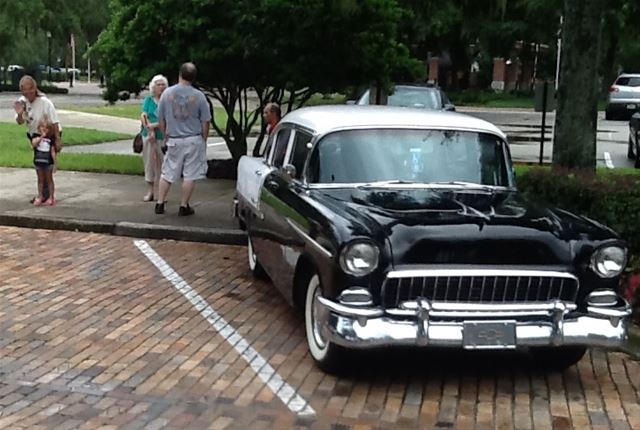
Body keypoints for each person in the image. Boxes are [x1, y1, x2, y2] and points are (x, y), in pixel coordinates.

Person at [155, 62, 211, 216]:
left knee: (167, 172)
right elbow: (205, 121)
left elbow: (160, 118)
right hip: (193, 139)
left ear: (180, 74)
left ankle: (160, 203)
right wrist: (203, 140)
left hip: (174, 138)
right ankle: (183, 205)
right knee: (190, 174)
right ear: (193, 78)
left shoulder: (167, 94)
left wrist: (165, 133)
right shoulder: (199, 96)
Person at [14, 75, 62, 202]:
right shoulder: (23, 101)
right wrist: (20, 113)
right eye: (24, 89)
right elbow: (20, 121)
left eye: (30, 89)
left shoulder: (45, 102)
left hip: (49, 134)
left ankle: (47, 195)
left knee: (47, 166)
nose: (28, 92)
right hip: (35, 135)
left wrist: (57, 140)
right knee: (39, 165)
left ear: (35, 88)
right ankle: (43, 195)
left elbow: (55, 122)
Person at [140, 74, 168, 201]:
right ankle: (150, 191)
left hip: (162, 135)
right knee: (149, 163)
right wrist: (148, 128)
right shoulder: (148, 100)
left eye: (163, 85)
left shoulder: (167, 101)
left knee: (163, 165)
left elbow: (167, 119)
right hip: (148, 136)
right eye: (159, 85)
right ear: (153, 87)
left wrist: (155, 125)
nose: (161, 87)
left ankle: (161, 193)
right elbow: (143, 115)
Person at [30, 117, 57, 206]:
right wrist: (41, 137)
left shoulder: (50, 139)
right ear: (39, 128)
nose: (44, 129)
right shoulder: (35, 136)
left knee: (49, 179)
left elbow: (52, 151)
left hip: (48, 162)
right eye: (42, 127)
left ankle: (51, 197)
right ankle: (40, 196)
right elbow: (34, 144)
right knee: (40, 180)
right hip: (38, 161)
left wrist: (55, 163)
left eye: (47, 128)